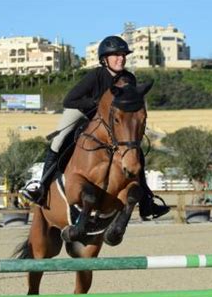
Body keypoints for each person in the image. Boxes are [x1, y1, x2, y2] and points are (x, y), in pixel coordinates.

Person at [21, 35, 169, 220]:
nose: (121, 58)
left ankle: (147, 201)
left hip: (113, 123)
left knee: (135, 152)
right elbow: (70, 100)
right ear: (104, 59)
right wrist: (97, 102)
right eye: (115, 55)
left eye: (123, 55)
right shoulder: (95, 75)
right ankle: (40, 187)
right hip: (83, 112)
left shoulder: (129, 78)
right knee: (59, 141)